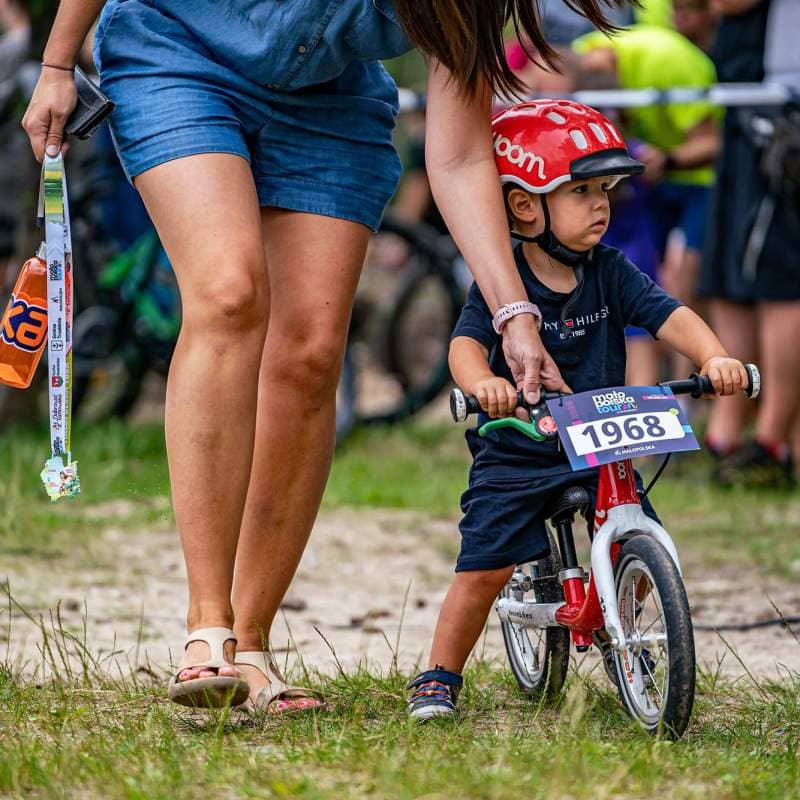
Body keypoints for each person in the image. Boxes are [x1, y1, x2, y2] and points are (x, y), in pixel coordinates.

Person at [22, 0, 632, 713]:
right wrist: (59, 62)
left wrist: (514, 312)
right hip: (179, 57)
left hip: (330, 103)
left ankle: (250, 646)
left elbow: (463, 155)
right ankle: (206, 627)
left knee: (312, 353)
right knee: (227, 293)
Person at [406, 100, 748, 720]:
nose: (602, 205)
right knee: (486, 563)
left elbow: (669, 315)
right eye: (582, 190)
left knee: (644, 537)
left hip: (598, 441)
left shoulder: (611, 272)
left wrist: (715, 355)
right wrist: (484, 381)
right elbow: (463, 346)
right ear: (524, 204)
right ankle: (439, 675)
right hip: (521, 444)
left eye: (606, 190)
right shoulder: (501, 279)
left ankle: (635, 647)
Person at [573, 25, 721, 385]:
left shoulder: (583, 163)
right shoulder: (636, 154)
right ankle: (648, 413)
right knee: (636, 339)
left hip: (612, 259)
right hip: (633, 258)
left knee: (621, 339)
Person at [701, 0, 800, 486]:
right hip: (751, 105)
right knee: (729, 275)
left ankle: (772, 441)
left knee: (780, 280)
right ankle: (731, 436)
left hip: (784, 108)